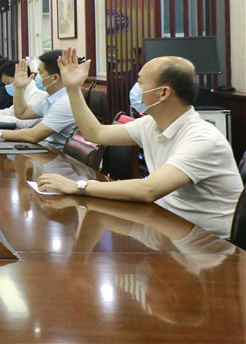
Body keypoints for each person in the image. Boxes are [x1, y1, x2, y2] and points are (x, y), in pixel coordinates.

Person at [36, 47, 243, 239]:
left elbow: (148, 190)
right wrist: (73, 89)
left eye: (140, 82)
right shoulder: (150, 124)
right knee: (98, 218)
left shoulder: (202, 139)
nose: (135, 88)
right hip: (167, 226)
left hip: (210, 245)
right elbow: (94, 133)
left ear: (163, 92)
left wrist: (78, 186)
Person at [0, 50, 76, 149]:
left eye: (40, 73)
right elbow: (21, 113)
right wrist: (19, 88)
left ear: (54, 78)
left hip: (60, 155)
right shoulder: (49, 97)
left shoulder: (65, 102)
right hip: (48, 149)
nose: (36, 76)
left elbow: (33, 136)